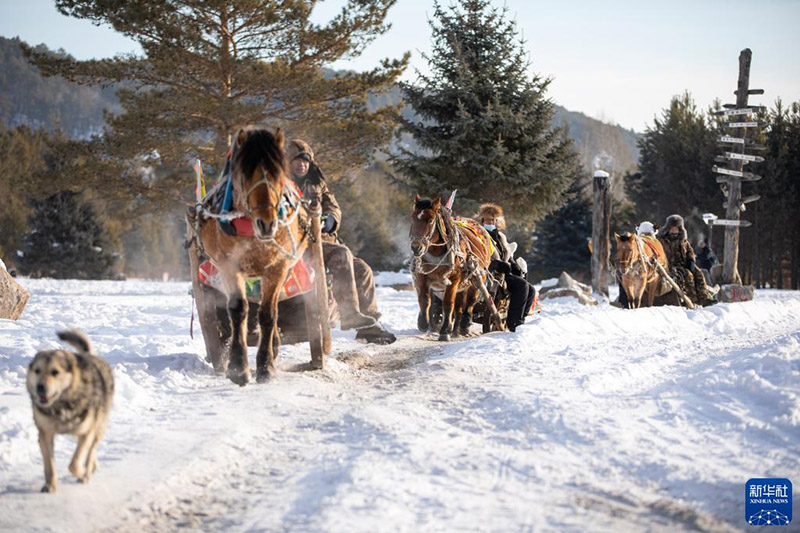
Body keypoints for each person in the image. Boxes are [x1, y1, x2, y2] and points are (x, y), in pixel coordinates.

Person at [286, 139, 396, 344]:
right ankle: (349, 314)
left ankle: (368, 325)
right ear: (287, 163)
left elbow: (333, 206)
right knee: (342, 254)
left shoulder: (316, 182)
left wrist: (331, 218)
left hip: (323, 240)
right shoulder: (281, 185)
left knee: (362, 269)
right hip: (297, 245)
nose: (302, 164)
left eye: (306, 161)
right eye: (297, 161)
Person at [476, 203, 536, 332]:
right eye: (488, 220)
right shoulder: (478, 236)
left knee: (531, 289)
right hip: (489, 274)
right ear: (482, 220)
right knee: (522, 286)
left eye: (493, 220)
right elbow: (479, 257)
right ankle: (514, 323)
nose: (491, 222)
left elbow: (507, 255)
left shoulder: (500, 236)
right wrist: (495, 264)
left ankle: (521, 319)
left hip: (504, 272)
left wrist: (515, 267)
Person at [657, 214, 715, 306]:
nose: (674, 230)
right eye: (672, 228)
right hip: (671, 266)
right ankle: (693, 299)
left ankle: (703, 298)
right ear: (668, 228)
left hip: (684, 263)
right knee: (689, 276)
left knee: (699, 273)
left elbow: (690, 251)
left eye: (676, 228)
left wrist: (691, 260)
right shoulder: (662, 240)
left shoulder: (683, 240)